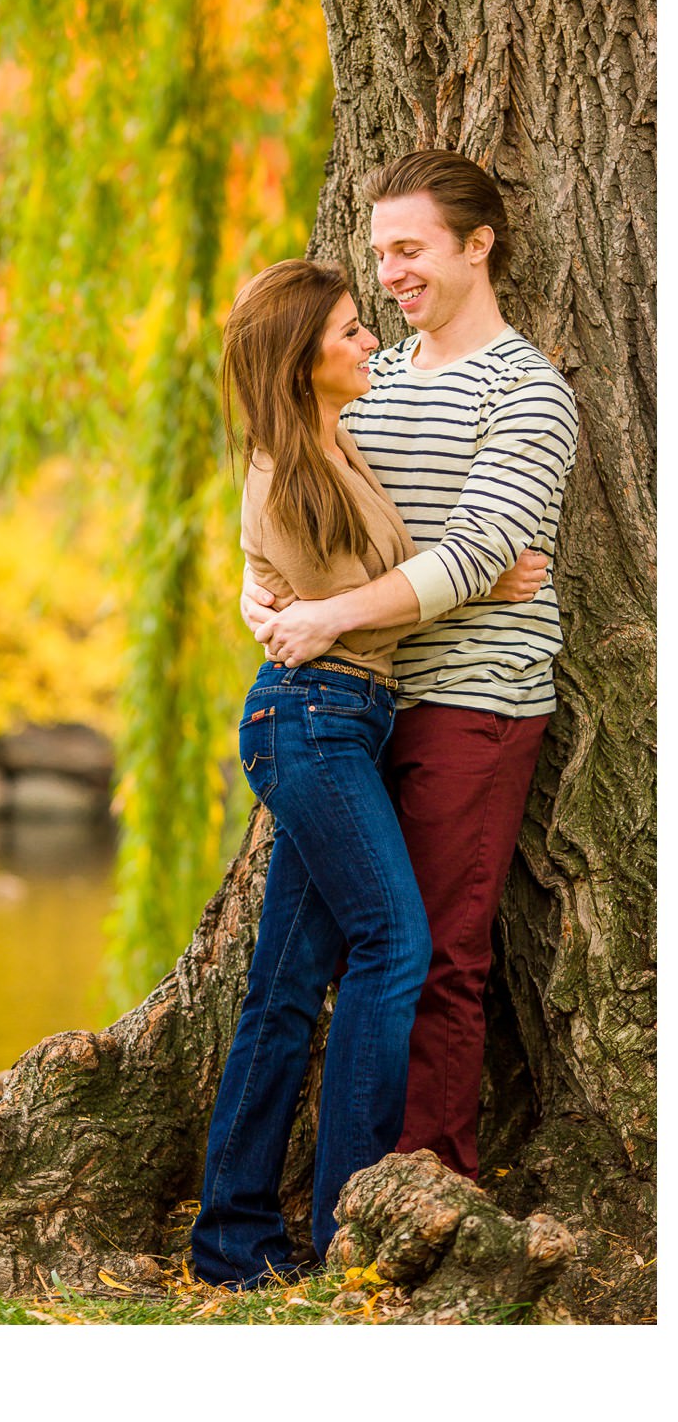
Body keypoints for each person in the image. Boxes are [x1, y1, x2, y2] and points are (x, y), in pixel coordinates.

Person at [189, 257, 539, 1291]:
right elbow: (355, 606)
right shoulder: (284, 470)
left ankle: (232, 1241)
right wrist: (484, 583)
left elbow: (334, 586)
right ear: (304, 361)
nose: (370, 342)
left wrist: (462, 568)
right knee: (397, 944)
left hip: (344, 720)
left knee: (286, 986)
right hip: (315, 723)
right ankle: (349, 1228)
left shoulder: (329, 445)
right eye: (348, 332)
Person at [242, 150, 579, 1186]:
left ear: (479, 246)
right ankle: (326, 1201)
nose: (388, 273)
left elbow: (475, 550)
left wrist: (342, 608)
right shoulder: (368, 375)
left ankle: (429, 1184)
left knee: (433, 956)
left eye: (411, 248)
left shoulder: (528, 392)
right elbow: (288, 492)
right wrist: (256, 595)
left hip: (470, 699)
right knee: (329, 963)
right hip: (348, 702)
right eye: (380, 250)